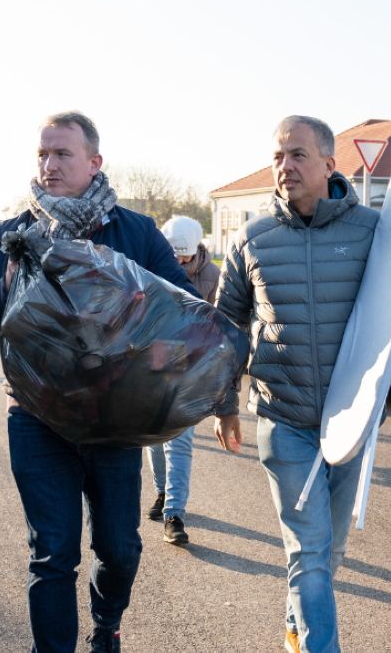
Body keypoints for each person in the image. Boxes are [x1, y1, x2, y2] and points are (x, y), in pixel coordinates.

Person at [0, 111, 196, 653]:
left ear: (94, 163)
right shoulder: (11, 233)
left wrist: (153, 339)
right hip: (36, 419)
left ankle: (106, 624)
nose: (48, 165)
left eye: (62, 154)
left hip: (113, 420)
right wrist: (4, 283)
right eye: (42, 154)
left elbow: (188, 310)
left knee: (119, 549)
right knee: (53, 552)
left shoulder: (135, 231)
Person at [214, 115, 391, 653]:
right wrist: (224, 405)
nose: (285, 166)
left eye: (298, 155)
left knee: (327, 554)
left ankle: (296, 621)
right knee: (309, 551)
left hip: (350, 422)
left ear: (331, 165)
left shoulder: (376, 231)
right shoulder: (252, 239)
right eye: (278, 157)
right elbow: (222, 330)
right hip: (283, 418)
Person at [142, 215, 219, 545]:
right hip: (152, 358)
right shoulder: (149, 265)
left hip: (192, 361)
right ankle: (162, 491)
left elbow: (220, 319)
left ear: (197, 249)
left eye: (185, 257)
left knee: (181, 439)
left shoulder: (213, 275)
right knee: (155, 435)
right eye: (174, 256)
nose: (179, 262)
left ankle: (175, 514)